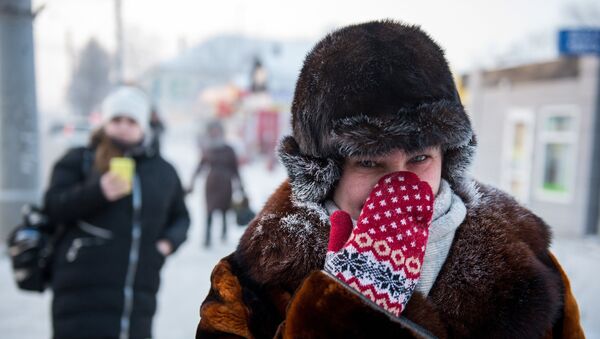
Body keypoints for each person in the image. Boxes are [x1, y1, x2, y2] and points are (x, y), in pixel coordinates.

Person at [195, 21, 585, 338]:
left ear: (447, 160)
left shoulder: (529, 265)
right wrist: (344, 311)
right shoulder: (249, 284)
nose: (401, 185)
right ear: (323, 172)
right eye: (370, 163)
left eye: (419, 158)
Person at [45, 85, 190, 339]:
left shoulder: (163, 171)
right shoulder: (80, 160)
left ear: (143, 126)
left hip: (137, 297)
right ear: (104, 123)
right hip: (80, 295)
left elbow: (181, 216)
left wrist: (166, 245)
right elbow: (54, 206)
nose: (124, 126)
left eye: (131, 120)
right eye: (116, 119)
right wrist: (97, 192)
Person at [188, 120, 242, 248]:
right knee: (209, 211)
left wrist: (241, 186)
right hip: (211, 184)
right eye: (213, 130)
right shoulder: (208, 149)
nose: (215, 132)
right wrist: (192, 182)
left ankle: (224, 233)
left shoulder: (229, 149)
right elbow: (200, 166)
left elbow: (235, 169)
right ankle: (207, 237)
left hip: (225, 184)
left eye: (217, 130)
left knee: (224, 209)